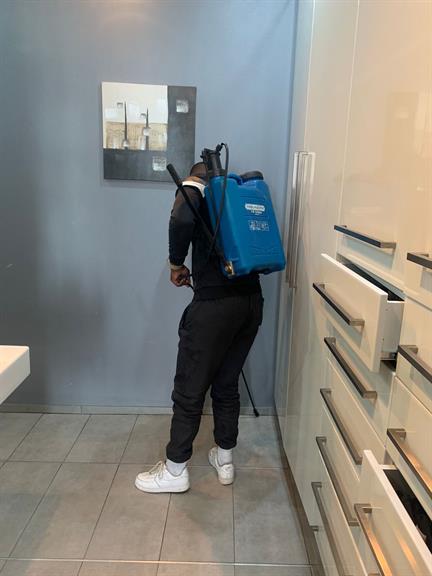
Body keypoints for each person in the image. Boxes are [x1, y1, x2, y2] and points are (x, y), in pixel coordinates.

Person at [135, 161, 263, 493]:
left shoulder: (196, 188)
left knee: (189, 388)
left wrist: (176, 264)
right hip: (251, 303)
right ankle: (225, 459)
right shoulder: (236, 198)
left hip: (214, 308)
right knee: (227, 382)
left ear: (197, 175)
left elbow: (180, 219)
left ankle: (175, 470)